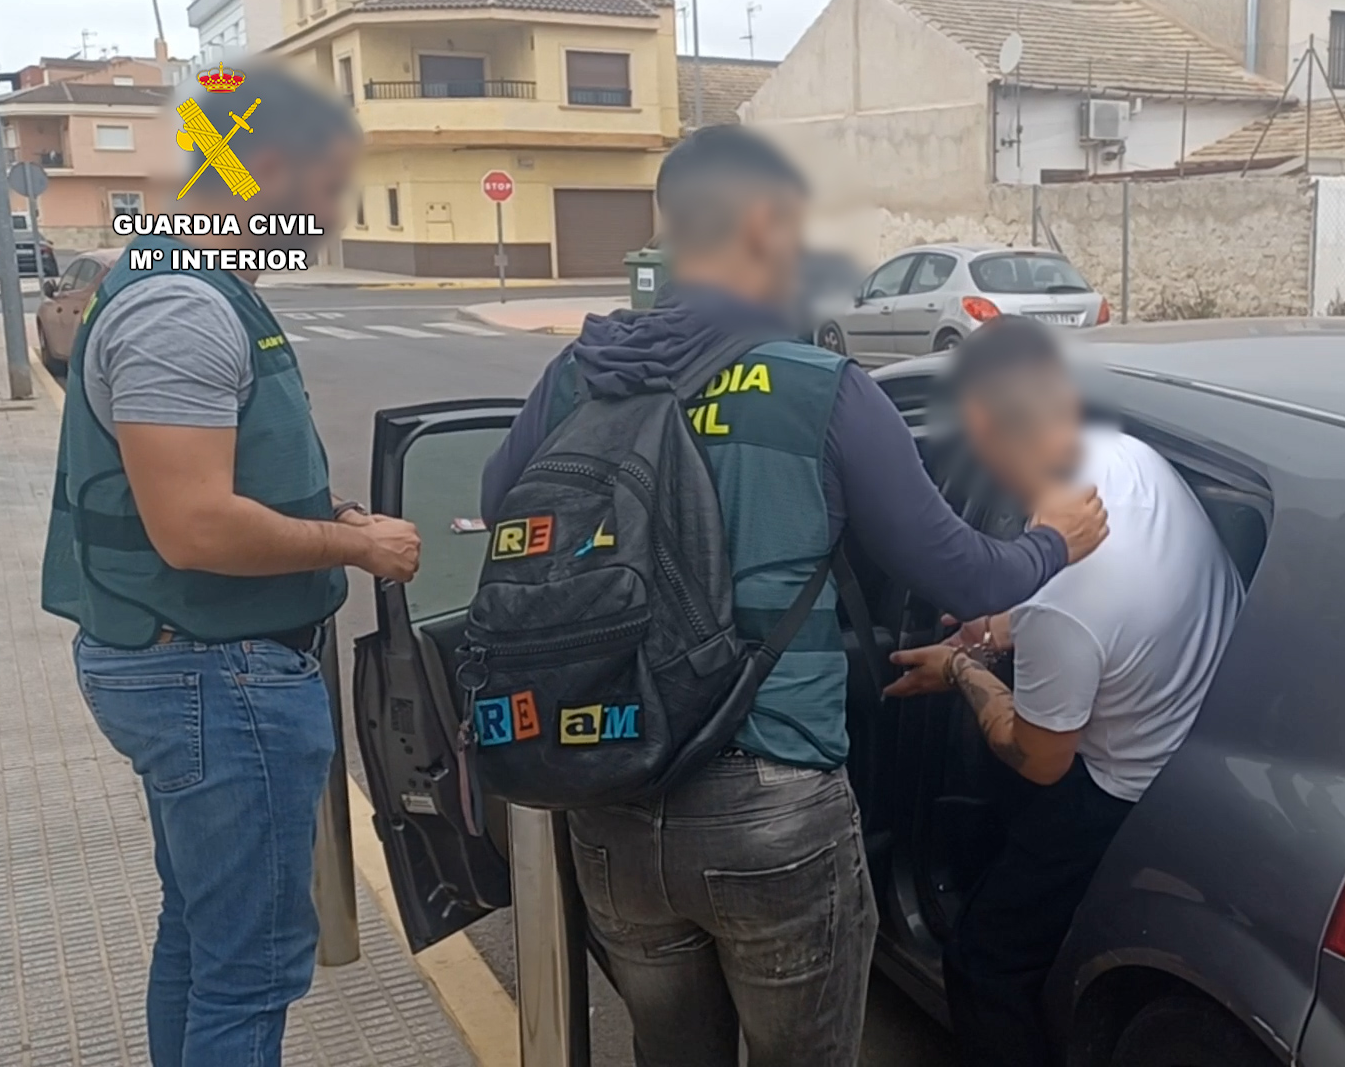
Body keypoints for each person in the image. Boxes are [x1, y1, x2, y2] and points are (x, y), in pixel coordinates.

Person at [479, 126, 1108, 1067]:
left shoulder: (583, 374)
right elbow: (969, 578)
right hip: (770, 808)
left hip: (609, 791)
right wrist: (1056, 538)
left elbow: (504, 513)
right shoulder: (824, 390)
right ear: (766, 226)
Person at [40, 66, 421, 1066]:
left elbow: (213, 480)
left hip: (189, 664)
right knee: (251, 967)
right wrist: (358, 545)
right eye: (327, 184)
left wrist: (323, 514)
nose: (332, 212)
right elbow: (197, 529)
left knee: (203, 936)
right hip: (213, 673)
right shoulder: (183, 308)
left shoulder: (193, 287)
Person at [885, 317, 1244, 1067]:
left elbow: (1042, 759)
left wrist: (960, 670)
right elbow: (1101, 618)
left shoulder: (1062, 603)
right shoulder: (1127, 458)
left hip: (1122, 784)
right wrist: (994, 629)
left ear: (978, 425)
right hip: (1198, 712)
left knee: (984, 962)